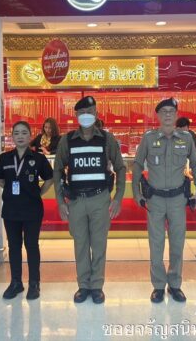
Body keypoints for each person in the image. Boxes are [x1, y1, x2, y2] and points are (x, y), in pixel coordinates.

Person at [53, 96, 126, 304]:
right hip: (76, 201)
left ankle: (97, 286)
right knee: (81, 244)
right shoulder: (67, 140)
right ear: (76, 115)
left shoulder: (107, 139)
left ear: (96, 113)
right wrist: (60, 201)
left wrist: (118, 197)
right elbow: (57, 170)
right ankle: (83, 285)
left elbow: (120, 168)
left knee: (99, 244)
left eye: (90, 111)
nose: (86, 115)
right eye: (82, 112)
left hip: (100, 199)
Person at [132, 97, 196, 303]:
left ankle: (174, 284)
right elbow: (137, 164)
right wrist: (136, 193)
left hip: (177, 200)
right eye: (163, 111)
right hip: (154, 199)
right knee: (156, 244)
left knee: (177, 243)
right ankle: (158, 286)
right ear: (157, 115)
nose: (167, 115)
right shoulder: (148, 138)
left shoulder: (186, 138)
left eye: (171, 111)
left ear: (176, 114)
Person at [0, 121, 54, 300]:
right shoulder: (4, 158)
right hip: (11, 210)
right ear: (12, 136)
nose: (20, 136)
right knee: (14, 246)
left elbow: (49, 179)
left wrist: (38, 193)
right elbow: (0, 180)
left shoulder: (38, 158)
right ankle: (16, 282)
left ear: (30, 136)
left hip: (32, 210)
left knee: (31, 245)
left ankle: (34, 283)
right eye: (17, 133)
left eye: (24, 133)